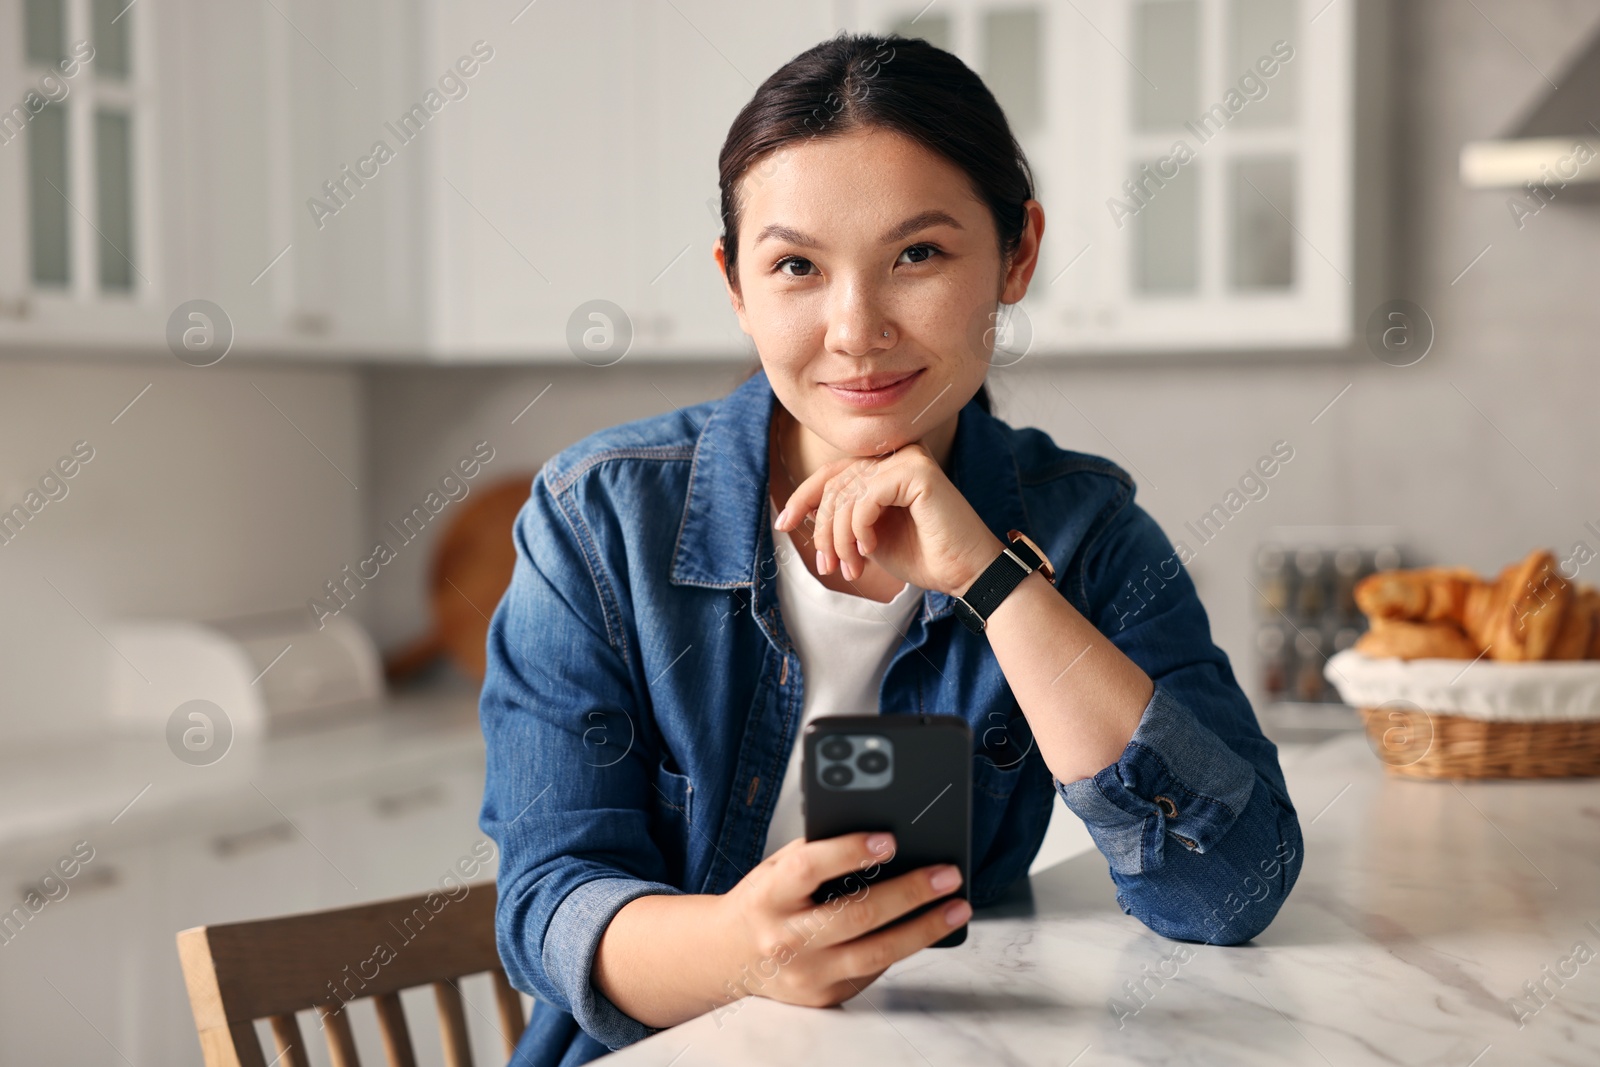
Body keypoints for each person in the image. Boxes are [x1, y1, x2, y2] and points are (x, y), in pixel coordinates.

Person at [479, 32, 1303, 1066]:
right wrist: (746, 950)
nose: (856, 328)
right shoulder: (596, 520)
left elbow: (1227, 886)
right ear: (736, 284)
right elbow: (549, 905)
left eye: (916, 253)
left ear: (1017, 252)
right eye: (795, 266)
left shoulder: (1083, 529)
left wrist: (989, 577)